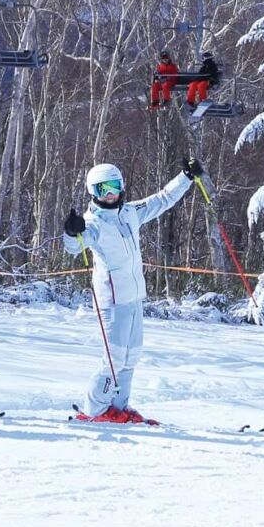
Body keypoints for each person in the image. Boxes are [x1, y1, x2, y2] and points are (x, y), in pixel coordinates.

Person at [62, 158, 203, 422]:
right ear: (94, 192)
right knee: (114, 358)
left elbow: (161, 200)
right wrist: (72, 232)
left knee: (131, 355)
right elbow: (75, 246)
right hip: (112, 300)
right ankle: (94, 410)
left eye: (115, 186)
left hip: (134, 296)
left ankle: (118, 406)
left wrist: (185, 177)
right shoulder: (92, 222)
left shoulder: (129, 212)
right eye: (105, 189)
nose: (112, 193)